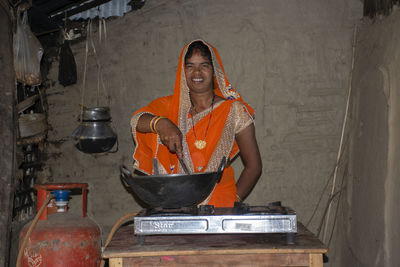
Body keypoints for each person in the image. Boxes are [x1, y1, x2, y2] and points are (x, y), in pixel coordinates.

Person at [130, 40, 262, 207]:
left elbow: (254, 166)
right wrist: (161, 123)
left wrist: (235, 200)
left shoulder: (234, 111)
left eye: (204, 65)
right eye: (190, 66)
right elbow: (137, 120)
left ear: (215, 70)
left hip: (221, 203)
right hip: (177, 202)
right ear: (182, 71)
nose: (197, 72)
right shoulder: (170, 106)